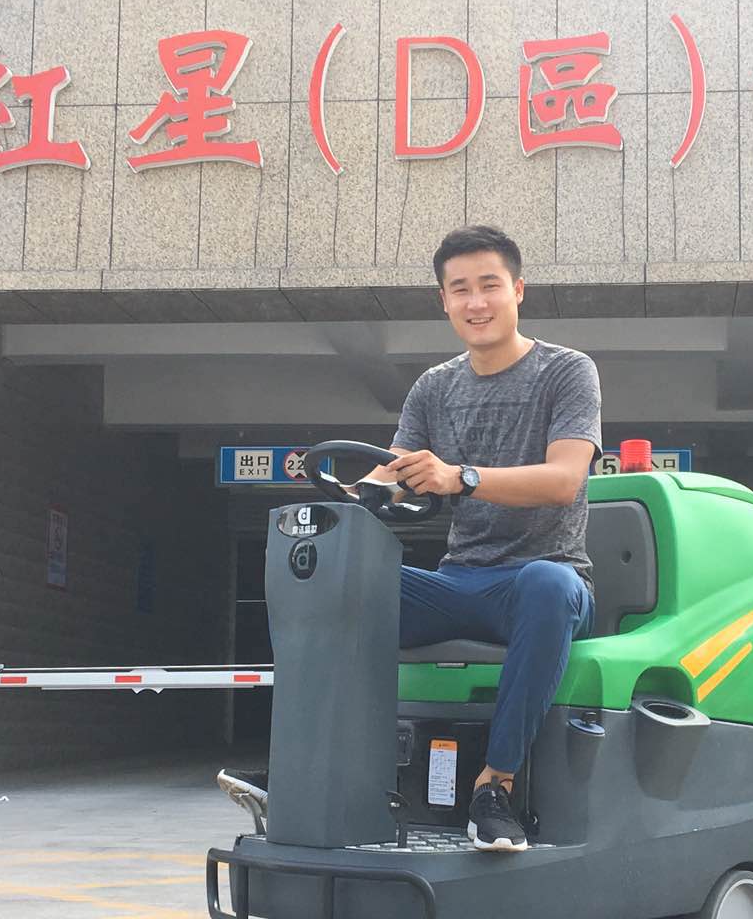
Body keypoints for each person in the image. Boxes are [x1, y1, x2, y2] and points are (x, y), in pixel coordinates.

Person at [221, 224, 602, 852]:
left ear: (518, 290)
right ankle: (304, 770)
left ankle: (496, 787)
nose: (476, 302)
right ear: (444, 301)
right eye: (461, 290)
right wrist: (358, 494)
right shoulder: (434, 387)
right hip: (460, 582)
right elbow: (393, 475)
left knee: (546, 585)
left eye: (489, 286)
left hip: (547, 580)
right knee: (342, 585)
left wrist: (461, 477)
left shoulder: (566, 372)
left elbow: (564, 481)